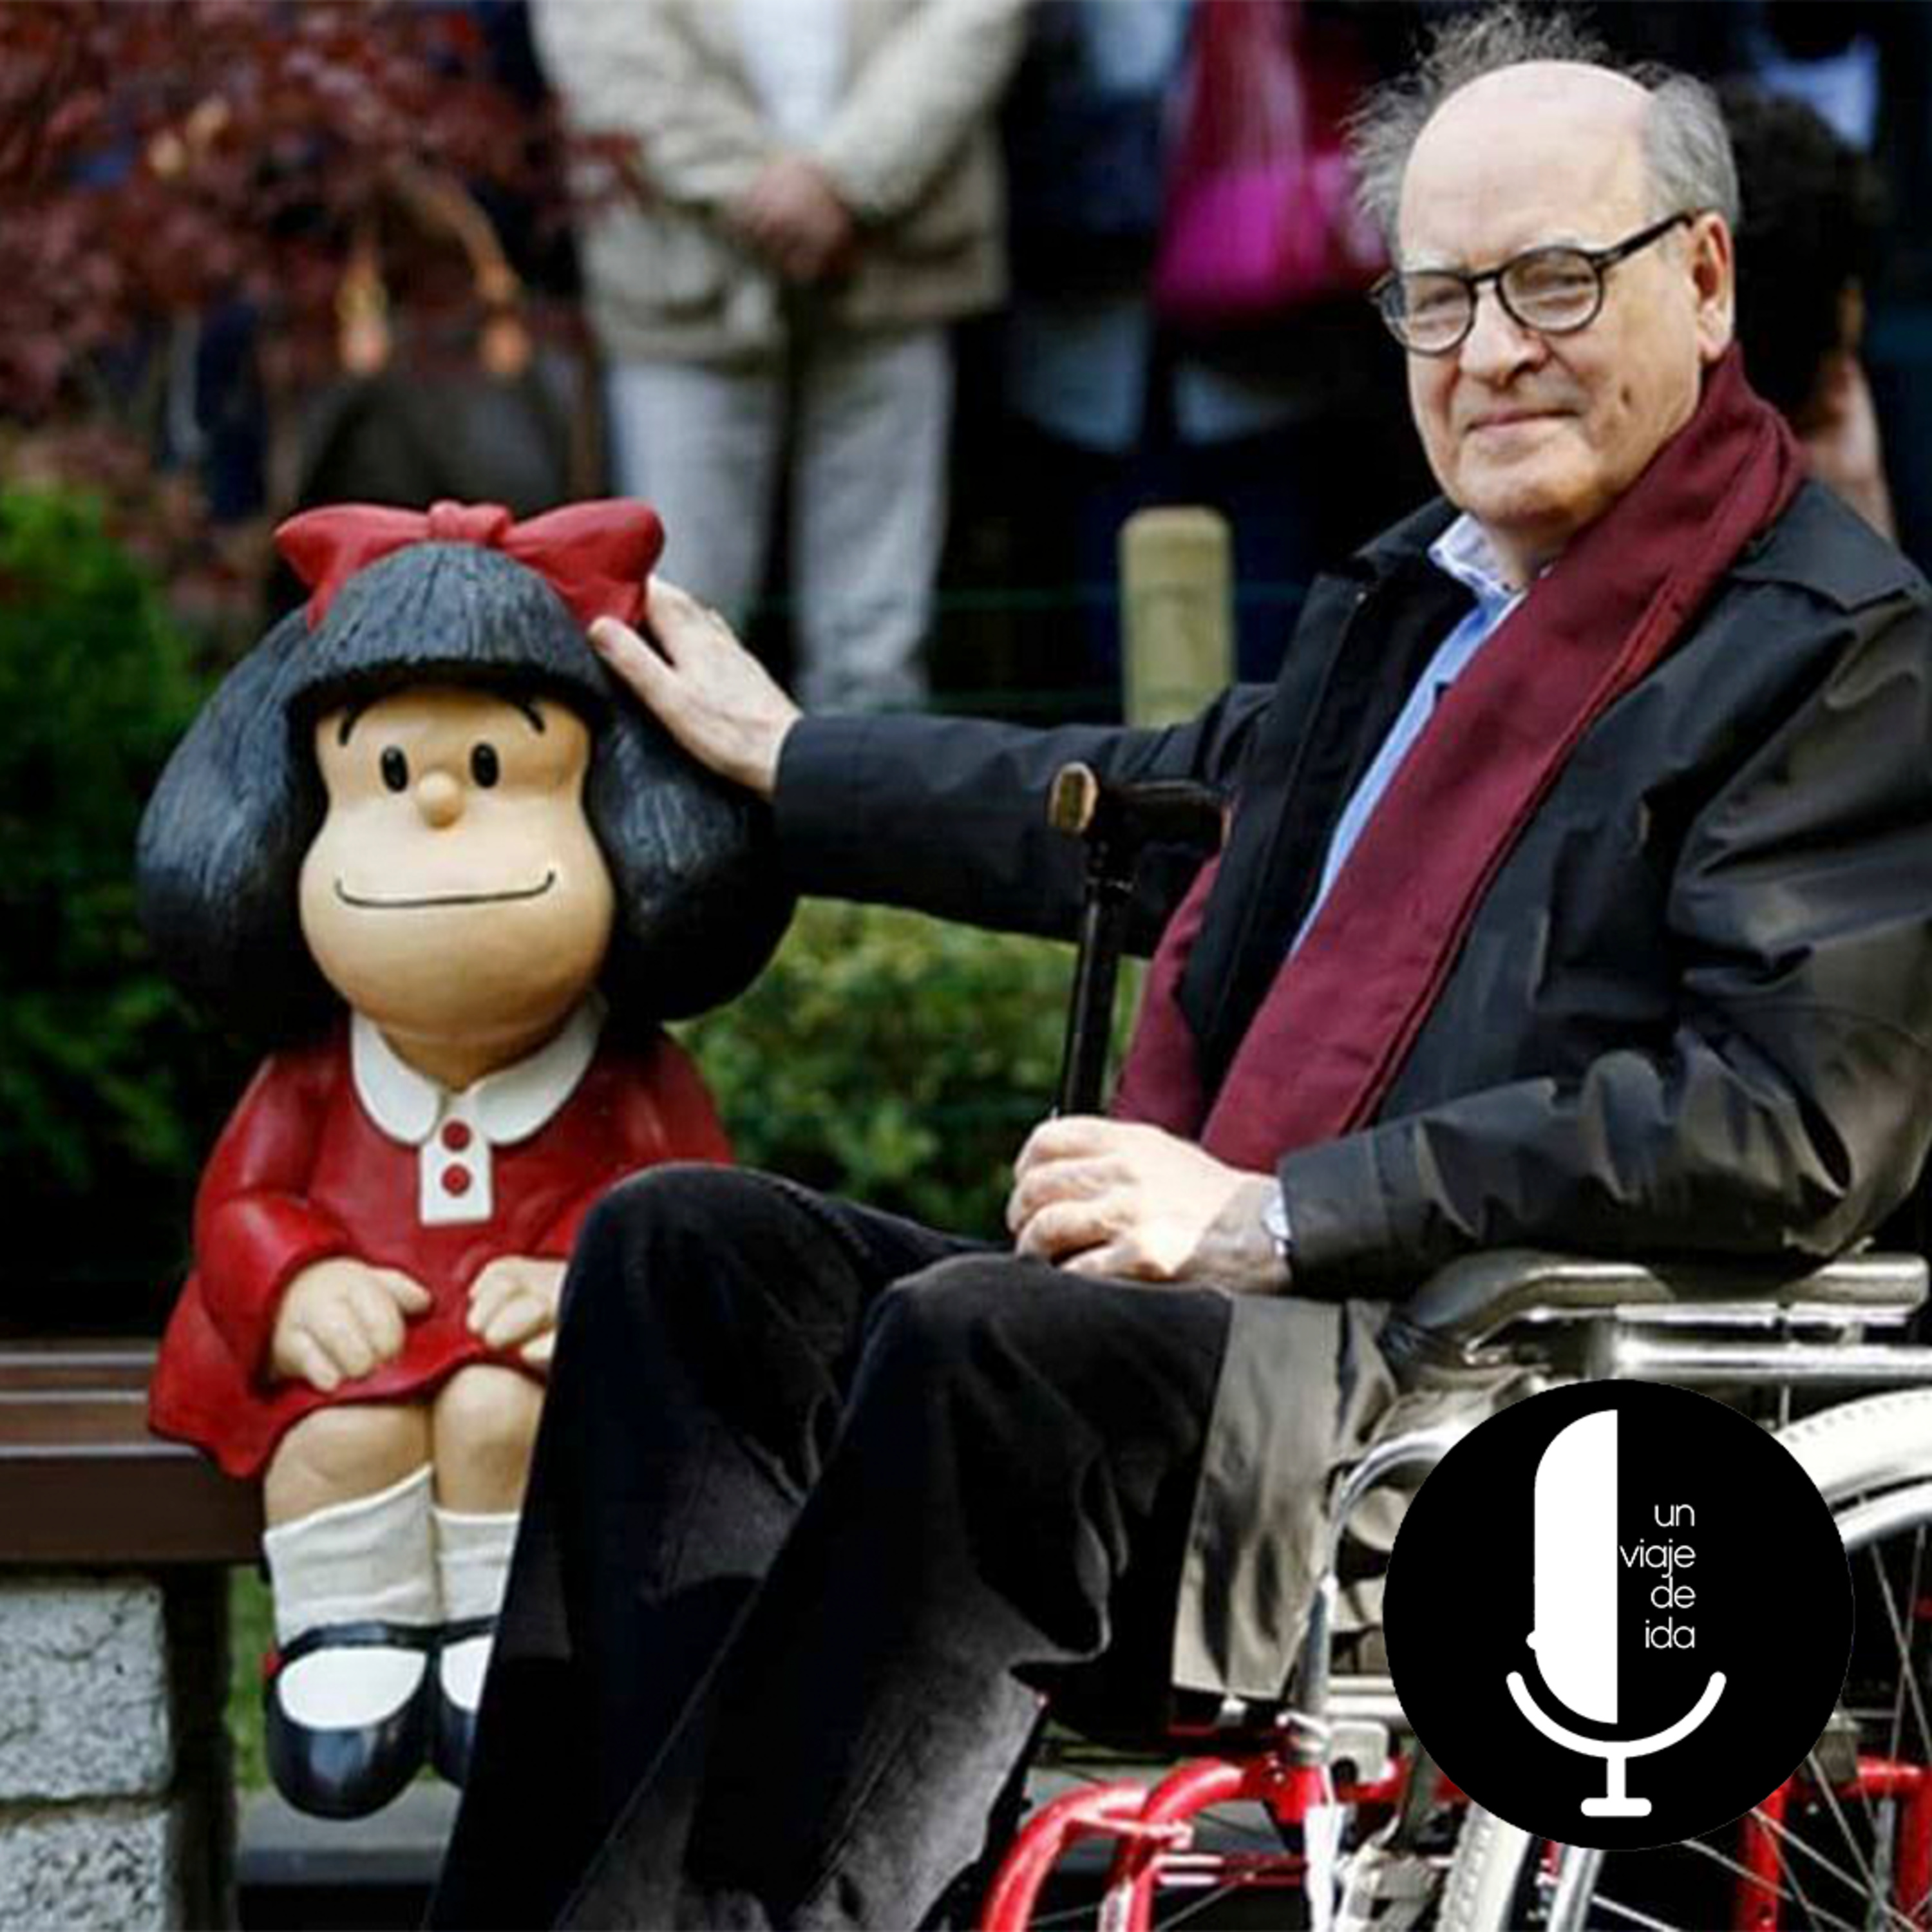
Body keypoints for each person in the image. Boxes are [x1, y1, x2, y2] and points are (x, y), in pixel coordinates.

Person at [430, 9, 1932, 1927]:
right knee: (689, 1258)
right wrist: (792, 760)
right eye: (1437, 296)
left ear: (1703, 281)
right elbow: (1152, 803)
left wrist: (1271, 1212)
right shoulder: (1429, 598)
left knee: (993, 1348)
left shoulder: (1836, 654)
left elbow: (1790, 1122)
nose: (1488, 349)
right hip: (1274, 1362)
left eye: (1554, 281)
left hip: (1496, 1413)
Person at [137, 502, 791, 1815]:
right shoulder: (317, 1074)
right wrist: (295, 1278)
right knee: (339, 1440)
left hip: (531, 1369)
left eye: (492, 770)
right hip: (358, 1359)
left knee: (507, 1420)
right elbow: (243, 1199)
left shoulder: (620, 1074)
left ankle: (520, 1636)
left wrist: (589, 1280)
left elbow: (687, 1209)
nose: (437, 808)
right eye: (388, 776)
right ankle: (346, 1637)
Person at [530, 0, 1027, 714]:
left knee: (875, 647)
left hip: (894, 264)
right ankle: (685, 788)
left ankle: (866, 784)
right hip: (678, 278)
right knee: (678, 623)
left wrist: (850, 179)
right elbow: (604, 41)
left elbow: (974, 18)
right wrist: (768, 194)